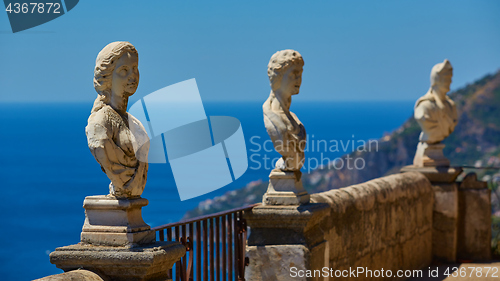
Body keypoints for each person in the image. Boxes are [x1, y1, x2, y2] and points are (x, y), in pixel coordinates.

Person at [85, 41, 149, 198]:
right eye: (124, 70)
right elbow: (100, 145)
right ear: (107, 76)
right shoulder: (100, 123)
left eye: (135, 68)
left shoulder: (134, 122)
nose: (132, 76)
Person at [263, 49, 306, 172]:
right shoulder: (272, 116)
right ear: (278, 76)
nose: (299, 79)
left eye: (301, 73)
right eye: (294, 73)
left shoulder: (294, 119)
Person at [414, 59, 458, 144]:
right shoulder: (425, 106)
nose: (450, 81)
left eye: (450, 78)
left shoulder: (451, 106)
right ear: (436, 80)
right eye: (447, 78)